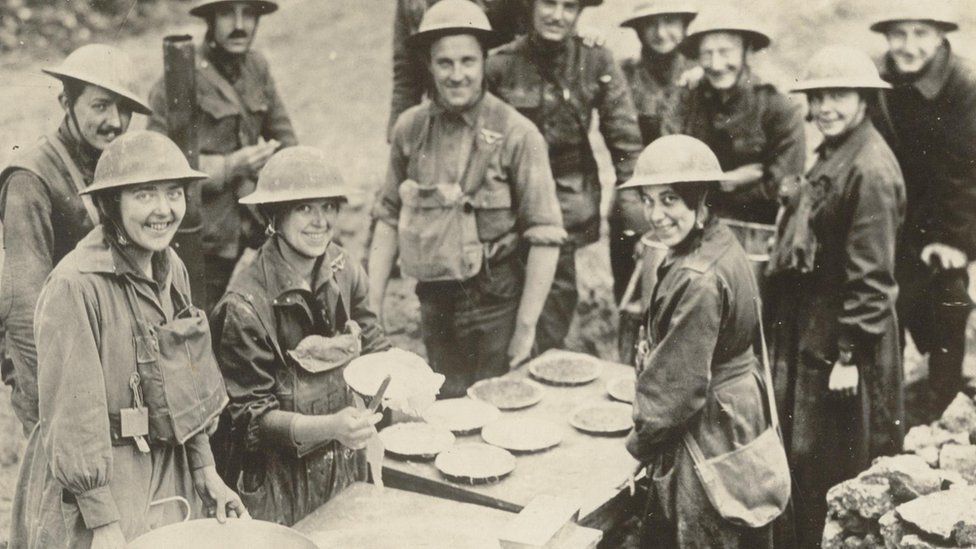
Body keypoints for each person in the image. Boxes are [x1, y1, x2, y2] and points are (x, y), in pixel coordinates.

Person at [9, 131, 245, 549]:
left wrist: (205, 470)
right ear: (110, 203)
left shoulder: (171, 268)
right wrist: (101, 522)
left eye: (174, 193)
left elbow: (185, 387)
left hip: (168, 472)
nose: (163, 210)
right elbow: (73, 418)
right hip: (98, 488)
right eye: (144, 195)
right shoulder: (75, 286)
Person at [369, 0, 566, 398]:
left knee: (495, 412)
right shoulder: (410, 130)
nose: (457, 75)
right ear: (429, 65)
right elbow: (388, 218)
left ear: (484, 62)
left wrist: (525, 328)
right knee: (447, 410)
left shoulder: (517, 134)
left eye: (467, 62)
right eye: (445, 63)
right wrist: (371, 309)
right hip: (435, 302)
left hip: (496, 303)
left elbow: (545, 237)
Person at [767, 46, 906, 548]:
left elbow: (872, 277)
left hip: (849, 338)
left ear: (864, 98)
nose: (826, 106)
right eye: (818, 96)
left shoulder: (871, 168)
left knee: (838, 459)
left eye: (839, 96)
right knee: (806, 452)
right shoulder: (833, 149)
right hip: (815, 324)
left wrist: (849, 354)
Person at [210, 147, 390, 525]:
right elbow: (251, 421)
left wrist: (405, 381)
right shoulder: (244, 305)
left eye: (328, 207)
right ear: (274, 215)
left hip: (346, 468)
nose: (320, 222)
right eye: (304, 208)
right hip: (279, 487)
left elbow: (374, 344)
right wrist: (332, 427)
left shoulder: (343, 268)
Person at [623, 135, 777, 548]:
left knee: (707, 527)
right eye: (648, 199)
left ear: (702, 199)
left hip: (710, 423)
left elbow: (677, 387)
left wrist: (638, 445)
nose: (656, 214)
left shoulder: (699, 277)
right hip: (736, 409)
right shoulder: (716, 240)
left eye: (670, 199)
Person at [0, 44, 150, 437]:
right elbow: (24, 308)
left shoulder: (114, 165)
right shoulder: (30, 178)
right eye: (100, 106)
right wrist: (47, 406)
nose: (115, 121)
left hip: (107, 351)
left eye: (124, 109)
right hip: (55, 361)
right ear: (67, 101)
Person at [487, 0, 642, 352]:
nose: (558, 15)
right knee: (501, 308)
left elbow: (626, 142)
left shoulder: (595, 59)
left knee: (554, 309)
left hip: (566, 206)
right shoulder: (499, 65)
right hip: (509, 206)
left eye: (569, 6)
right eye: (549, 3)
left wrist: (638, 218)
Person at [147, 0, 297, 311]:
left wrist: (273, 161)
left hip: (255, 223)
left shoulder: (257, 67)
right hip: (206, 234)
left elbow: (287, 142)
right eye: (228, 13)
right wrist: (231, 166)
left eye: (249, 13)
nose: (240, 24)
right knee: (197, 319)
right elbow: (156, 168)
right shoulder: (178, 77)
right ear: (210, 20)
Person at [869, 2, 976, 417]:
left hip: (947, 218)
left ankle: (942, 413)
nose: (908, 45)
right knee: (888, 308)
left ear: (939, 36)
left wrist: (955, 241)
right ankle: (886, 417)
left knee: (948, 303)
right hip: (896, 219)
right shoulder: (877, 79)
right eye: (899, 34)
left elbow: (967, 171)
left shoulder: (964, 84)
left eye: (920, 33)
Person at [614, 0, 698, 362]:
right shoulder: (624, 75)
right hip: (636, 198)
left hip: (686, 202)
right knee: (635, 302)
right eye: (652, 24)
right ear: (638, 30)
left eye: (672, 22)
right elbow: (622, 149)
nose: (662, 33)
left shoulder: (699, 73)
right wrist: (637, 223)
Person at [666, 8, 805, 225]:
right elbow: (669, 159)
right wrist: (728, 181)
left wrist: (720, 191)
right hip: (696, 220)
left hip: (758, 224)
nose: (716, 64)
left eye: (725, 52)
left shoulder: (777, 104)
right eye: (707, 53)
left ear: (746, 51)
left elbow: (784, 183)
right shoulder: (687, 98)